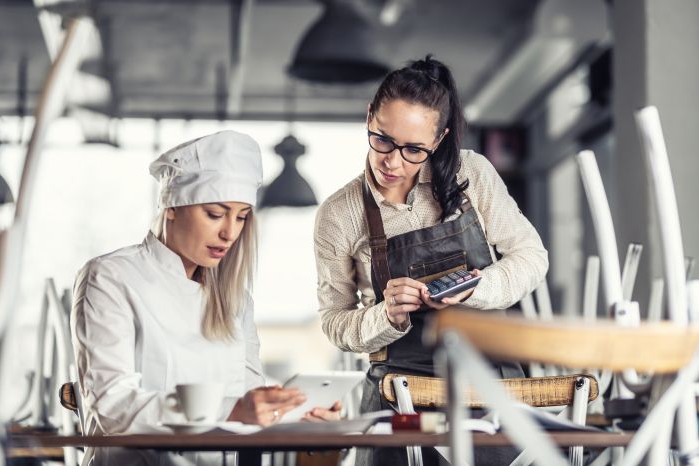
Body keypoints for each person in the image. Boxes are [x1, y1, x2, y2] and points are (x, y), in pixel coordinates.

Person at [313, 56, 549, 465]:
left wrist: (477, 288)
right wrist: (385, 315)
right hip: (398, 390)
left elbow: (531, 256)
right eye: (382, 139)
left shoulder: (470, 173)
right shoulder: (339, 214)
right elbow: (335, 320)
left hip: (489, 385)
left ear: (437, 141)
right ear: (369, 117)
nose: (393, 161)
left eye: (413, 150)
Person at [72, 130, 337, 466]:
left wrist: (300, 415)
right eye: (215, 214)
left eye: (241, 217)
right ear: (170, 206)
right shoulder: (111, 277)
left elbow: (250, 399)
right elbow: (114, 408)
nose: (229, 233)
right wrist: (233, 410)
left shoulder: (235, 298)